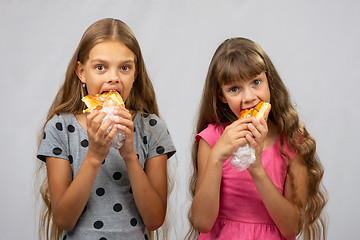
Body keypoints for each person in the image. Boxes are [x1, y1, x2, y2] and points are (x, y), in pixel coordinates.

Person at [36, 18, 176, 240]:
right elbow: (64, 219)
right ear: (81, 72)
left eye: (125, 68)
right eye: (100, 67)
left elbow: (155, 219)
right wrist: (94, 155)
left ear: (136, 73)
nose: (113, 78)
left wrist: (130, 155)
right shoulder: (60, 128)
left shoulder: (152, 128)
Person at [188, 37, 327, 240]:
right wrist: (217, 157)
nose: (249, 97)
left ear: (268, 81)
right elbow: (202, 222)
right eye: (234, 89)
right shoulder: (212, 139)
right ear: (222, 96)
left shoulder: (293, 143)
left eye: (256, 82)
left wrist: (256, 168)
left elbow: (291, 229)